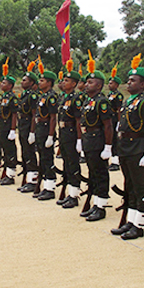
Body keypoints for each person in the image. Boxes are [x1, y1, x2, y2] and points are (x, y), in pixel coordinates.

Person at [110, 53, 144, 240]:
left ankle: (139, 224)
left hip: (137, 146)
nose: (128, 83)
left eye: (133, 80)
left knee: (139, 186)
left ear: (142, 84)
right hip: (125, 145)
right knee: (128, 183)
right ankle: (131, 220)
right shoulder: (128, 101)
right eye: (128, 80)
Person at [78, 53, 113, 221]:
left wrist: (108, 146)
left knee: (100, 173)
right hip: (88, 140)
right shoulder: (88, 101)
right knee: (92, 173)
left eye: (91, 82)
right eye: (87, 82)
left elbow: (108, 125)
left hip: (98, 140)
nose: (86, 85)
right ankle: (95, 203)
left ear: (99, 86)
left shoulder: (102, 101)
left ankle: (101, 206)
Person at [57, 59, 83, 209]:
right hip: (63, 132)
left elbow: (78, 120)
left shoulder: (76, 98)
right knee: (66, 162)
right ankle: (69, 193)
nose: (63, 82)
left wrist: (79, 139)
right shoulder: (64, 98)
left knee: (73, 163)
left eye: (67, 80)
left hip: (72, 133)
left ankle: (74, 195)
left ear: (74, 84)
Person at [31, 62, 58, 201]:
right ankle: (44, 186)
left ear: (49, 82)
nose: (39, 83)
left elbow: (53, 118)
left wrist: (50, 136)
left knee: (47, 159)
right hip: (40, 129)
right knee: (42, 159)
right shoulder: (42, 96)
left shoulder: (52, 97)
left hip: (47, 128)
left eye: (42, 81)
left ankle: (50, 188)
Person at [17, 62, 40, 193]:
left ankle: (33, 181)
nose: (22, 82)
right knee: (25, 153)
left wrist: (32, 132)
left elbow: (33, 115)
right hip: (22, 126)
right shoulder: (25, 95)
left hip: (28, 127)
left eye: (25, 80)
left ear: (32, 83)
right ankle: (28, 178)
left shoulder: (33, 96)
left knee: (30, 153)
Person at [0, 60, 19, 185]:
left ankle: (11, 175)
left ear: (10, 86)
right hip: (2, 127)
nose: (1, 84)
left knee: (10, 151)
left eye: (4, 83)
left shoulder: (12, 98)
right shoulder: (3, 97)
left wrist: (12, 130)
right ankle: (6, 173)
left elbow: (14, 114)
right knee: (4, 149)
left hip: (8, 127)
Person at [106, 65, 124, 172]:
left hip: (115, 119)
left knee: (115, 141)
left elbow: (119, 109)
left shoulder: (118, 95)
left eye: (111, 83)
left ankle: (115, 162)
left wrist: (119, 122)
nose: (109, 85)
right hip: (109, 119)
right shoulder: (109, 94)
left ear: (116, 85)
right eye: (109, 83)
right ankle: (112, 160)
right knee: (110, 139)